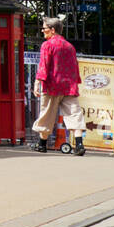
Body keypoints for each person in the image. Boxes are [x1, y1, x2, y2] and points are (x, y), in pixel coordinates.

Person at [32, 17, 86, 155]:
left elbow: (44, 65)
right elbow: (75, 67)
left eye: (44, 28)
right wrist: (75, 82)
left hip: (52, 86)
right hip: (69, 86)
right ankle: (79, 145)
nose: (43, 31)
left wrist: (38, 81)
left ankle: (42, 144)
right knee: (74, 114)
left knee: (46, 115)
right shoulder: (70, 46)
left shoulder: (47, 45)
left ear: (52, 30)